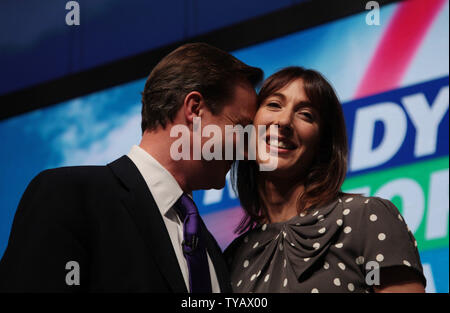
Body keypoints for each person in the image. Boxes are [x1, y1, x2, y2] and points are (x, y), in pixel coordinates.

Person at [0, 43, 263, 292]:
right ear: (194, 109)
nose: (244, 150)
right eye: (241, 128)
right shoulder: (67, 196)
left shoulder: (211, 251)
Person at [225, 66, 426, 293]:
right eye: (274, 105)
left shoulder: (367, 220)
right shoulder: (232, 258)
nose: (284, 121)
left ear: (322, 145)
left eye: (306, 115)